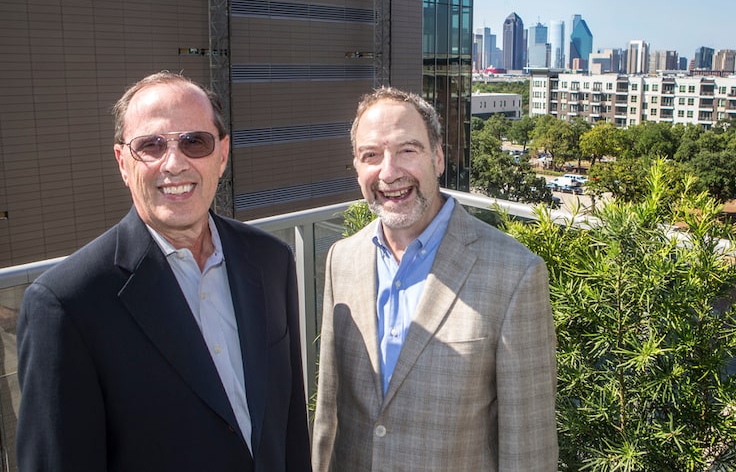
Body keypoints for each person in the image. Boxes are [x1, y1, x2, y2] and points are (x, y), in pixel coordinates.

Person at [16, 72, 312, 472]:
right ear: (123, 162)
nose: (174, 163)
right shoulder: (67, 304)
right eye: (151, 145)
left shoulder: (272, 260)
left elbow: (290, 425)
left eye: (195, 141)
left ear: (221, 155)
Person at [312, 87, 557, 471]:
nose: (389, 172)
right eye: (371, 155)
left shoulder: (515, 274)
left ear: (438, 157)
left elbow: (529, 447)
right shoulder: (341, 260)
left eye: (408, 150)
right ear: (357, 167)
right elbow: (328, 412)